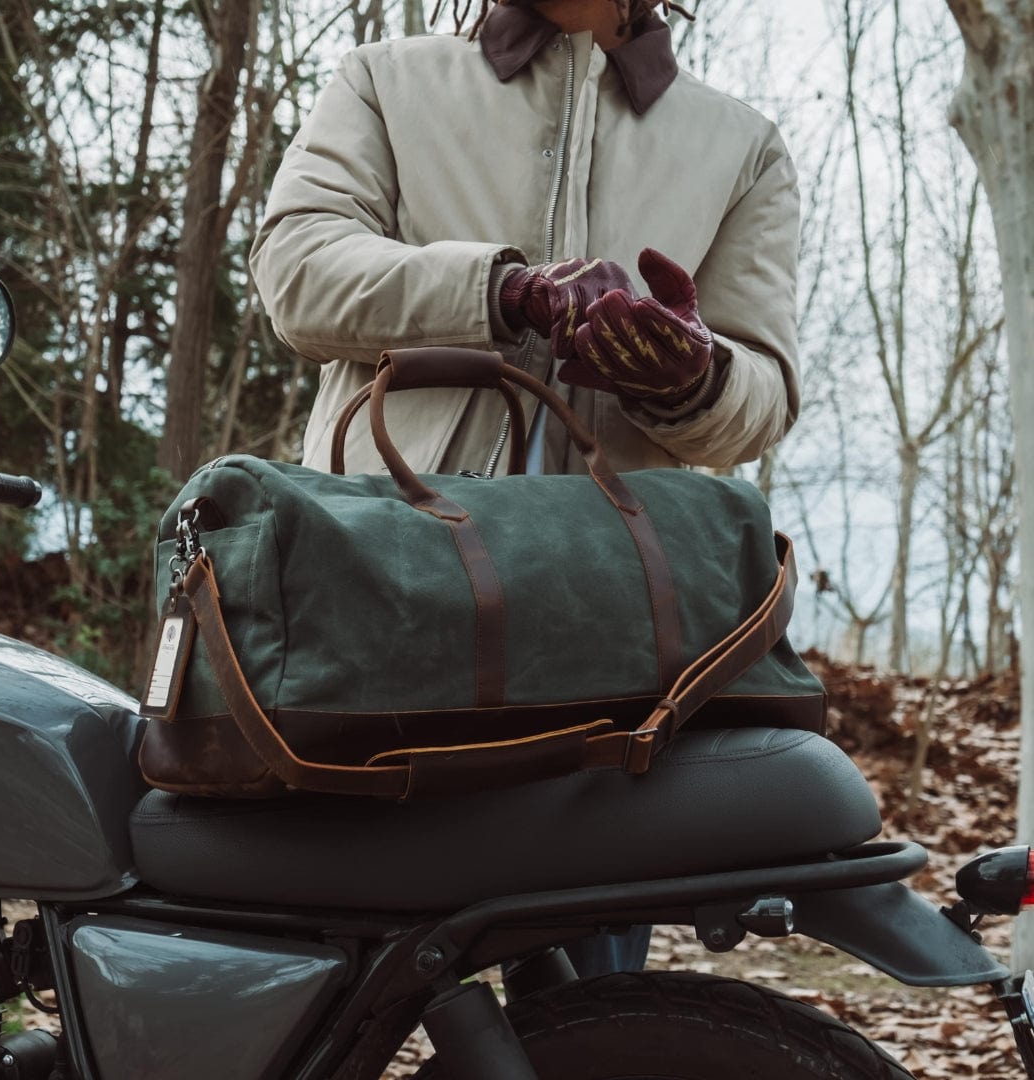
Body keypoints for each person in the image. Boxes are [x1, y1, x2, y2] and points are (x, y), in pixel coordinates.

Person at [250, 0, 801, 975]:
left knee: (595, 1005)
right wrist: (504, 292)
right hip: (391, 593)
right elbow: (296, 274)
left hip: (615, 632)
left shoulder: (743, 146)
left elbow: (763, 392)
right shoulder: (385, 80)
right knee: (327, 985)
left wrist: (694, 374)